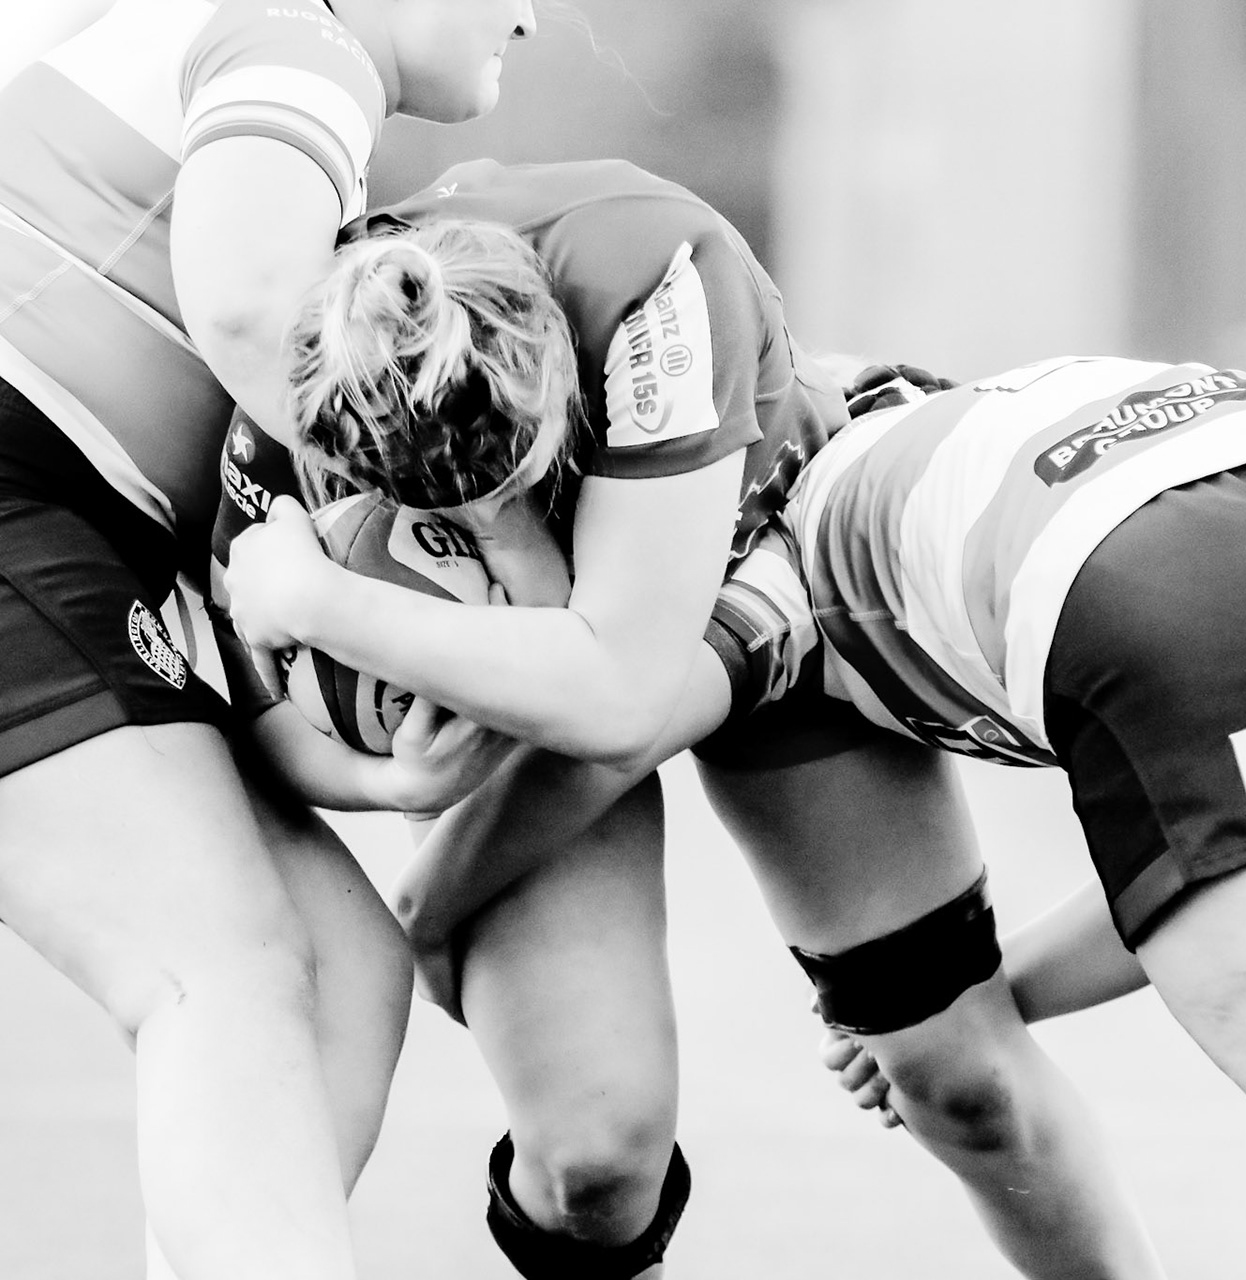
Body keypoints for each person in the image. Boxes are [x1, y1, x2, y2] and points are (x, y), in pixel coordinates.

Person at [271, 329, 1246, 1277]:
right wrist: (998, 987)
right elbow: (1219, 871)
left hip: (1188, 576)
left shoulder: (763, 561)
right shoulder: (922, 417)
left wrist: (414, 900)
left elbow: (609, 730)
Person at [219, 161, 1167, 1280]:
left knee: (957, 1073)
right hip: (535, 695)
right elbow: (254, 714)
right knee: (592, 1160)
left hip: (767, 569)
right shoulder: (298, 381)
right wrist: (396, 784)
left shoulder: (655, 278)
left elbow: (618, 699)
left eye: (508, 492)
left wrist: (335, 614)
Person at [0, 2, 540, 1278]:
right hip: (19, 487)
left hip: (57, 519)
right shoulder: (303, 37)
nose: (526, 14)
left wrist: (367, 773)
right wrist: (478, 514)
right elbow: (249, 315)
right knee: (224, 966)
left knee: (344, 967)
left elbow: (220, 565)